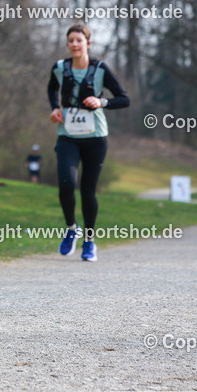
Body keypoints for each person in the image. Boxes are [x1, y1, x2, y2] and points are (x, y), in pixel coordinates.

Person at [47, 23, 129, 261]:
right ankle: (72, 229)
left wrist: (102, 102)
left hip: (95, 138)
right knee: (65, 183)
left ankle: (90, 242)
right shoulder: (60, 67)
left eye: (79, 40)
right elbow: (52, 88)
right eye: (71, 40)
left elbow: (124, 99)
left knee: (87, 191)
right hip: (68, 136)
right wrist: (54, 108)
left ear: (88, 44)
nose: (74, 44)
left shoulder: (101, 69)